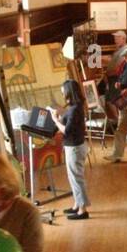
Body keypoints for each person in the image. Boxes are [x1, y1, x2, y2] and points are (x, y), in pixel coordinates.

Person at [48, 78, 90, 220]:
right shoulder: (75, 107)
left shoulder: (74, 109)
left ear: (69, 92)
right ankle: (77, 205)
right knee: (73, 178)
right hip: (74, 146)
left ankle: (82, 209)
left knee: (77, 178)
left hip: (75, 148)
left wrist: (55, 120)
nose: (62, 94)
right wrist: (59, 117)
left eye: (63, 91)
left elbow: (67, 130)